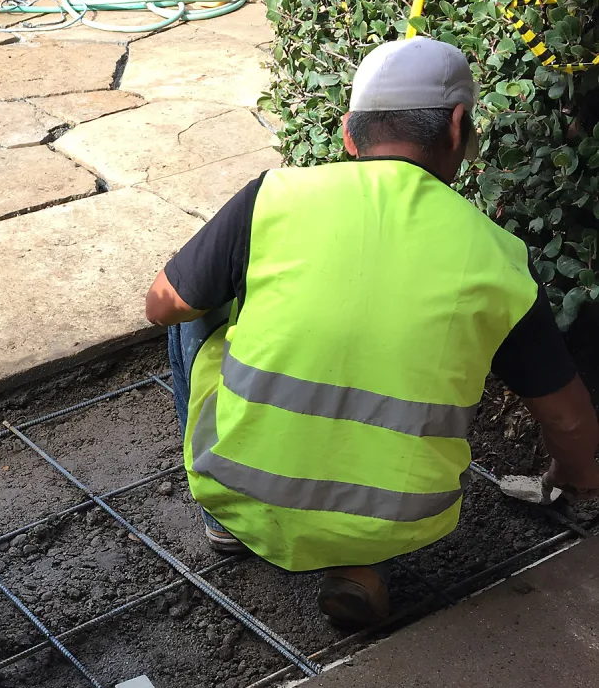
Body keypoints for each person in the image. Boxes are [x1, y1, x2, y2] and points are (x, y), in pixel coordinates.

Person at [145, 37, 599, 627]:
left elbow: (161, 306)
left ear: (347, 133)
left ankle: (226, 524)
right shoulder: (495, 259)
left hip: (237, 483)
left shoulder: (275, 198)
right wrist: (577, 476)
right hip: (404, 515)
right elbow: (565, 417)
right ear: (459, 128)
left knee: (195, 308)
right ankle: (359, 567)